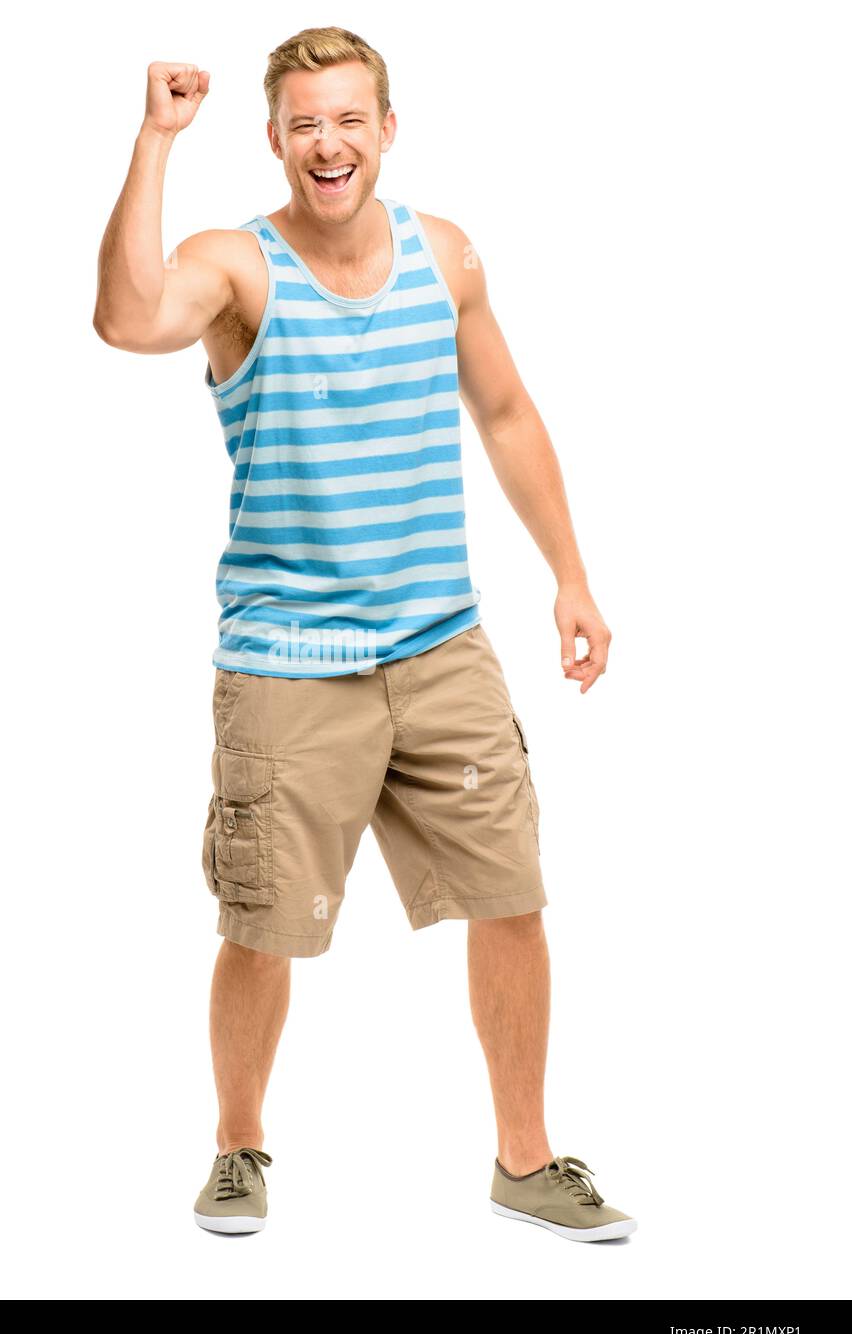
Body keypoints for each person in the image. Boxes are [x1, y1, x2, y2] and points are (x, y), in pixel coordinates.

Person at [93, 26, 636, 1243]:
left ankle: (525, 1160)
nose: (327, 142)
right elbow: (127, 321)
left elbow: (502, 410)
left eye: (348, 118)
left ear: (386, 129)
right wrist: (153, 139)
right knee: (262, 923)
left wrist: (571, 578)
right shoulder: (237, 264)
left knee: (512, 896)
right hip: (287, 661)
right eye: (303, 123)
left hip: (441, 644)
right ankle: (237, 1147)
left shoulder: (443, 255)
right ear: (276, 138)